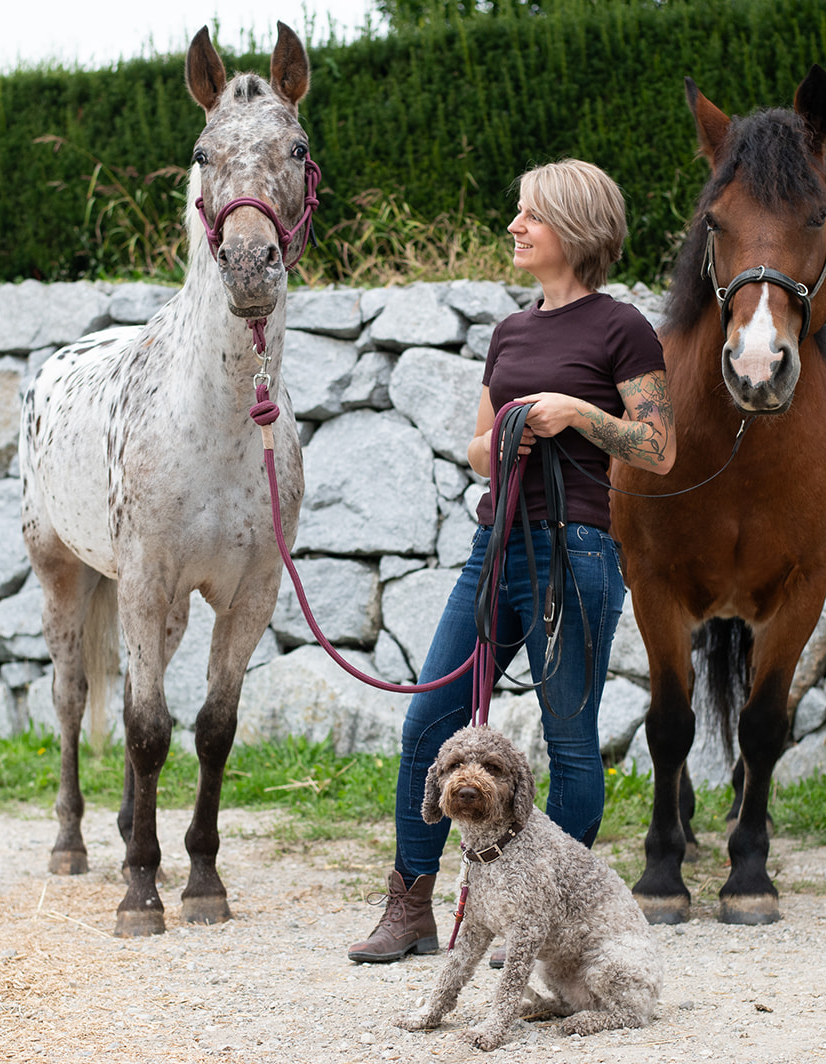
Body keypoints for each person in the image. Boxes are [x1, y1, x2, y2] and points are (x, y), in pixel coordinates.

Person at [347, 159, 676, 963]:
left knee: (569, 741)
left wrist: (578, 414)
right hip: (493, 550)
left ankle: (551, 914)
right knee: (430, 720)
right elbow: (474, 446)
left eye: (529, 214)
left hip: (577, 554)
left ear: (574, 228)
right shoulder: (511, 331)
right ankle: (411, 905)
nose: (514, 225)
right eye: (517, 211)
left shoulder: (621, 327)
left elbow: (659, 448)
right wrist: (503, 441)